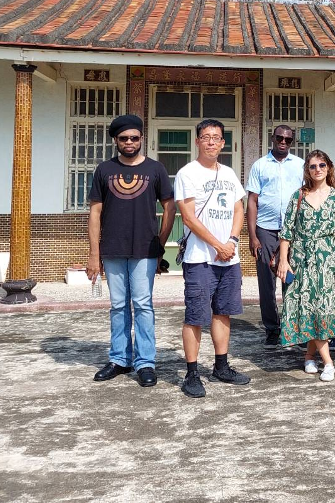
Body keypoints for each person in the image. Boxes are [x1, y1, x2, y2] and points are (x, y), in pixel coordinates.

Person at [87, 115, 175, 388]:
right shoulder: (104, 170)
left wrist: (160, 242)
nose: (129, 142)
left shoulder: (155, 169)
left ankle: (145, 362)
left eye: (134, 138)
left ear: (141, 139)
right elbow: (95, 212)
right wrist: (93, 253)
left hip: (144, 250)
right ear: (115, 140)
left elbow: (169, 207)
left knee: (143, 305)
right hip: (112, 248)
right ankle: (119, 359)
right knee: (118, 305)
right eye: (124, 138)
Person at [175, 119, 251, 398]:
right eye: (205, 137)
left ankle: (221, 365)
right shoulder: (187, 173)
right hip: (200, 257)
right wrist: (218, 245)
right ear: (197, 141)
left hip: (228, 257)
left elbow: (239, 209)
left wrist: (231, 241)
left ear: (223, 143)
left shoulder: (229, 173)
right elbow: (188, 217)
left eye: (216, 137)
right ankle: (192, 372)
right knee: (196, 315)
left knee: (223, 311)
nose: (211, 142)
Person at [276, 150, 335, 382]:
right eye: (312, 166)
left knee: (323, 308)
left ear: (328, 168)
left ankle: (310, 356)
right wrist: (283, 260)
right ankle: (328, 362)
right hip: (301, 260)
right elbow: (286, 232)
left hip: (327, 260)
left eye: (321, 165)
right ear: (307, 170)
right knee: (307, 307)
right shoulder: (298, 196)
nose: (317, 170)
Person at [246, 125, 305, 349]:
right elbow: (252, 200)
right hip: (266, 229)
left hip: (294, 230)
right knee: (266, 282)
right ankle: (272, 329)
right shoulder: (260, 165)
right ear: (272, 138)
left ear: (292, 142)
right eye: (279, 138)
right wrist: (252, 235)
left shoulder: (300, 165)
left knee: (292, 279)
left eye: (288, 140)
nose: (283, 142)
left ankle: (293, 328)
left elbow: (306, 196)